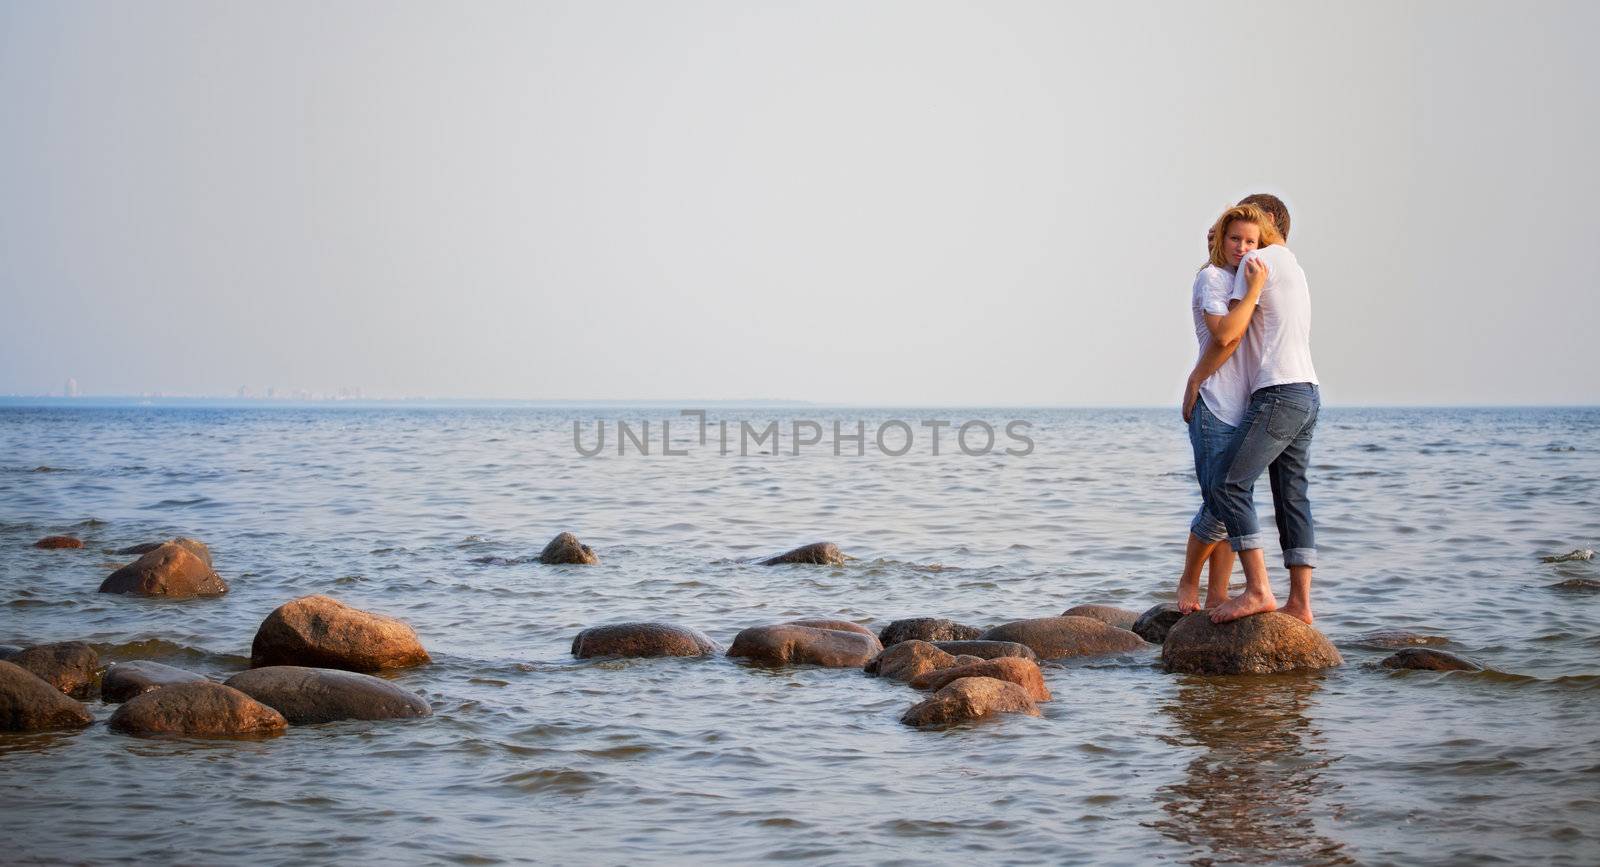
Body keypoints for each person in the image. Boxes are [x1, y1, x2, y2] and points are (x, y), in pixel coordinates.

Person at [1186, 193, 1321, 625]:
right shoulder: (1295, 266)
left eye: (1249, 234)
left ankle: (1259, 590)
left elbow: (1228, 335)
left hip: (1277, 391)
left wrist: (1194, 380)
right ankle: (1299, 604)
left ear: (1264, 225)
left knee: (1228, 485)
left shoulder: (1256, 265)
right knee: (1291, 496)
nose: (1245, 245)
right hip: (1308, 390)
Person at [1175, 204, 1281, 613]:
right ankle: (1188, 583)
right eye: (1235, 239)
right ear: (1221, 239)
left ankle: (1218, 593)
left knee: (1235, 506)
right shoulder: (1214, 278)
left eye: (1250, 241)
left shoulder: (1246, 279)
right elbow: (1223, 337)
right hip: (1216, 404)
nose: (1242, 247)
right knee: (1219, 502)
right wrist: (1195, 381)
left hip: (1248, 407)